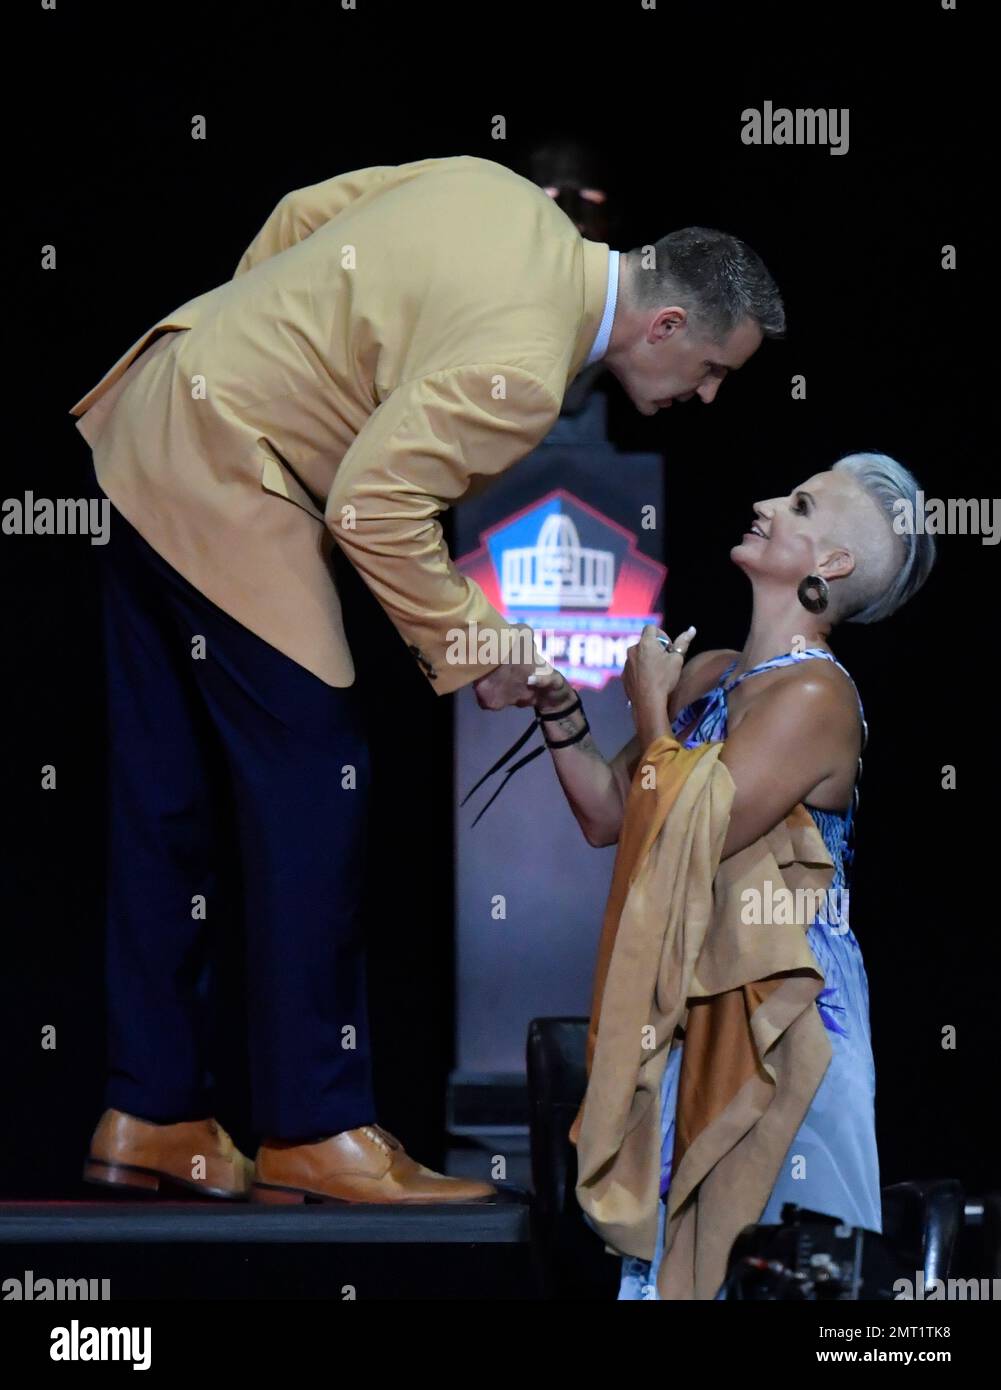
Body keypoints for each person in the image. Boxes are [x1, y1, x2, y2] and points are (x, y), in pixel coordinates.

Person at [69, 154, 784, 1204]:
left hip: (156, 415)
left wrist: (252, 354)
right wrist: (482, 649)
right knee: (318, 793)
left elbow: (296, 215)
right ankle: (316, 1130)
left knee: (165, 798)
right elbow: (369, 505)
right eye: (715, 369)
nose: (708, 395)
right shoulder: (531, 366)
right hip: (227, 479)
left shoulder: (494, 190)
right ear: (666, 325)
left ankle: (152, 1112)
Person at [526, 452, 936, 1296]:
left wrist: (647, 707)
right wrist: (561, 711)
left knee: (768, 1263)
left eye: (798, 504)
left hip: (783, 1010)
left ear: (832, 564)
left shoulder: (818, 698)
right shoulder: (711, 673)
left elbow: (686, 829)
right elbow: (612, 813)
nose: (762, 502)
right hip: (692, 992)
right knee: (674, 1252)